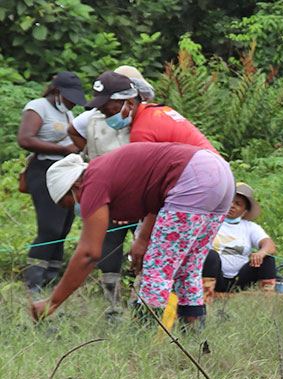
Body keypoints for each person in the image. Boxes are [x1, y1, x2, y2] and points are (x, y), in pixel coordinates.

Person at [29, 143, 236, 327]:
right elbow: (157, 198)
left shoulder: (91, 183)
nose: (75, 209)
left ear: (74, 187)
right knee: (188, 268)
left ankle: (142, 338)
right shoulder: (107, 170)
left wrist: (52, 302)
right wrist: (143, 239)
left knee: (157, 269)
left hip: (192, 178)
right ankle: (194, 337)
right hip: (220, 173)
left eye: (68, 204)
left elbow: (88, 254)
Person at [68, 66, 157, 311]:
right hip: (108, 193)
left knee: (145, 247)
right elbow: (72, 130)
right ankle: (113, 305)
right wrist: (88, 156)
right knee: (108, 247)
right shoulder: (94, 117)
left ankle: (141, 302)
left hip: (142, 197)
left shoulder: (147, 116)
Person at [16, 71, 85, 297]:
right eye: (69, 97)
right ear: (57, 92)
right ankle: (33, 281)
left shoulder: (68, 113)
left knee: (64, 227)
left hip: (66, 171)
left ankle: (51, 278)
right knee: (50, 228)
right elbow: (25, 139)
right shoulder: (38, 107)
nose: (73, 101)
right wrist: (62, 149)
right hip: (44, 170)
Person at [83, 70, 215, 152]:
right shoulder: (158, 111)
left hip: (203, 178)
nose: (107, 119)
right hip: (217, 171)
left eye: (109, 113)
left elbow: (144, 179)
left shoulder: (141, 131)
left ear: (129, 102)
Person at [201, 182, 279, 294]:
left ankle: (267, 299)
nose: (232, 205)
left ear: (244, 212)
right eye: (230, 201)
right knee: (210, 255)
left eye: (238, 204)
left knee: (268, 258)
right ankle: (205, 297)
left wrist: (261, 253)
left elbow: (269, 245)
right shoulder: (211, 222)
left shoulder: (250, 227)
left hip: (239, 280)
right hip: (216, 276)